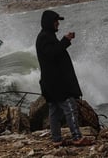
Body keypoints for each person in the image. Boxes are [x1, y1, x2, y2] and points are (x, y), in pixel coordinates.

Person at [35, 10, 92, 147]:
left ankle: (57, 140)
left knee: (55, 111)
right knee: (70, 108)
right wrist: (66, 40)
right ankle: (77, 137)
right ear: (49, 22)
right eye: (56, 21)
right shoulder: (45, 37)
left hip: (51, 82)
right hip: (56, 83)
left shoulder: (47, 36)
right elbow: (52, 54)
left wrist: (64, 40)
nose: (58, 23)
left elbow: (54, 53)